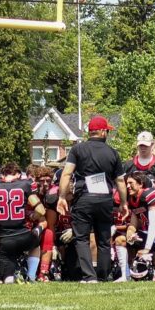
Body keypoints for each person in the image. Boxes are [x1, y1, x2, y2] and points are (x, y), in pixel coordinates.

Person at [56, 115, 128, 283]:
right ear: (102, 132)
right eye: (107, 131)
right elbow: (120, 181)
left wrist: (62, 196)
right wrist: (124, 203)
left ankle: (89, 276)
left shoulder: (77, 150)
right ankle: (102, 276)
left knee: (82, 238)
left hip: (84, 197)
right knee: (104, 240)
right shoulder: (112, 152)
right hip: (105, 199)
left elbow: (66, 174)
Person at [0, 162, 46, 283]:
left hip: (5, 240)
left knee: (8, 279)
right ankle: (31, 276)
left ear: (2, 175)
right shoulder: (25, 185)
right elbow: (41, 210)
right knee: (35, 244)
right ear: (18, 174)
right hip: (24, 235)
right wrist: (33, 216)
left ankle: (8, 276)